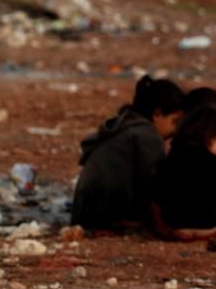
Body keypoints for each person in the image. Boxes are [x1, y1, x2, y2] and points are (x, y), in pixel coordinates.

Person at [71, 76, 183, 231]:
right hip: (99, 218)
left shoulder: (126, 125)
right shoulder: (147, 136)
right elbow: (153, 187)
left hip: (84, 212)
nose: (176, 130)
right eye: (175, 121)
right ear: (157, 114)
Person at [151, 106, 216, 241]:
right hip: (207, 229)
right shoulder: (215, 164)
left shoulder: (171, 159)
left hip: (175, 229)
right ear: (209, 137)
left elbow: (157, 194)